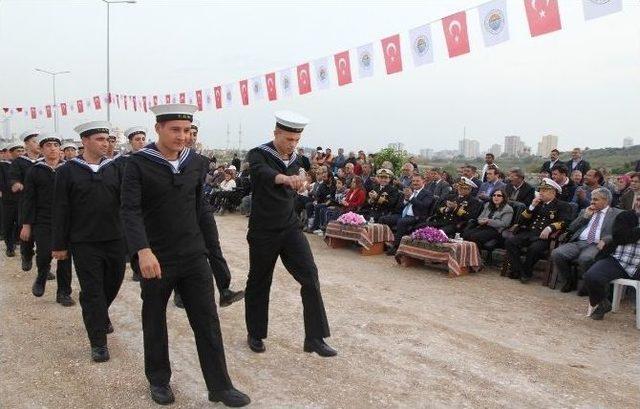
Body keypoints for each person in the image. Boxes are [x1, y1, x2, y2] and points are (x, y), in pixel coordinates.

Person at [121, 104, 249, 406]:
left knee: (207, 321)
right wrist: (142, 251)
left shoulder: (197, 163)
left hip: (193, 256)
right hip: (156, 257)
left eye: (187, 130)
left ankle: (220, 386)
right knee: (154, 320)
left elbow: (200, 209)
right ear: (158, 129)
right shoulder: (137, 164)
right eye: (175, 130)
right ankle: (159, 380)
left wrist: (211, 251)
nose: (182, 136)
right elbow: (130, 210)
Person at [245, 110, 335, 358]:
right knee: (260, 281)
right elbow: (263, 174)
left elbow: (304, 176)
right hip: (263, 230)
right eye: (288, 139)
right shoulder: (259, 154)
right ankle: (255, 333)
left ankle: (315, 338)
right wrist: (285, 178)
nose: (292, 144)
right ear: (276, 134)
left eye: (296, 140)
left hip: (290, 228)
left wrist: (302, 180)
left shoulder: (298, 159)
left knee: (310, 276)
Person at [52, 121, 125, 362]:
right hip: (84, 242)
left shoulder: (115, 168)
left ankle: (99, 313)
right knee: (93, 291)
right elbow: (60, 209)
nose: (105, 143)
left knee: (113, 283)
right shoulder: (67, 171)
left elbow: (127, 205)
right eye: (100, 139)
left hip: (115, 239)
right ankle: (98, 342)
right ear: (85, 142)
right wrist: (59, 245)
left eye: (107, 139)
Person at [21, 133, 75, 306]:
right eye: (48, 145)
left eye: (55, 145)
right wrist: (26, 225)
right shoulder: (35, 171)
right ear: (42, 149)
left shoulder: (69, 169)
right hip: (43, 220)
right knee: (44, 253)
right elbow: (28, 199)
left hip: (66, 221)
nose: (52, 148)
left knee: (65, 258)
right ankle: (41, 276)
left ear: (60, 149)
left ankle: (63, 293)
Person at [551, 188, 621, 293]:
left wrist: (606, 239)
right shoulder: (585, 211)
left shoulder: (616, 214)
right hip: (579, 242)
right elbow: (571, 228)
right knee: (557, 253)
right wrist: (585, 217)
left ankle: (588, 284)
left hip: (596, 244)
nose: (592, 202)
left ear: (605, 200)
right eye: (592, 199)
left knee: (586, 258)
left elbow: (620, 232)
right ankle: (569, 281)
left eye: (595, 199)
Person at [505, 178, 570, 283]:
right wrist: (531, 206)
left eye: (544, 191)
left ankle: (523, 272)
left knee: (534, 249)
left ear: (553, 192)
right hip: (530, 232)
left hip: (544, 237)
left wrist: (550, 228)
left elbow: (565, 222)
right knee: (510, 242)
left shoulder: (562, 205)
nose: (540, 193)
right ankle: (521, 271)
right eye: (540, 190)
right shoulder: (537, 204)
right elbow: (521, 221)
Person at [583, 210, 640, 320]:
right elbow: (620, 237)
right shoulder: (625, 216)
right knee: (591, 276)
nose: (639, 203)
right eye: (638, 199)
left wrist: (632, 233)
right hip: (619, 260)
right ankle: (603, 302)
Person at [9, 130, 41, 272]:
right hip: (26, 203)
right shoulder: (19, 162)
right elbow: (13, 177)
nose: (38, 144)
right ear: (27, 144)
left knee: (44, 237)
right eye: (34, 141)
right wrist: (16, 183)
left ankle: (44, 266)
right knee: (27, 234)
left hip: (44, 204)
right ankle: (26, 255)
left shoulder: (45, 161)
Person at [380, 173, 434, 255]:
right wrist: (405, 199)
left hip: (416, 217)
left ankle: (396, 247)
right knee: (383, 219)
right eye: (413, 181)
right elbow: (399, 207)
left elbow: (423, 206)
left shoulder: (427, 194)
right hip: (403, 214)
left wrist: (411, 197)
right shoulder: (408, 190)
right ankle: (383, 243)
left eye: (417, 181)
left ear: (423, 181)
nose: (415, 183)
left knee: (402, 222)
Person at [1, 141, 24, 257]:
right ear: (11, 153)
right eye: (17, 151)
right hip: (8, 200)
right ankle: (9, 247)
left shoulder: (25, 165)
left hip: (23, 200)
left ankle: (18, 241)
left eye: (22, 151)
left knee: (22, 223)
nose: (20, 153)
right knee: (8, 224)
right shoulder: (3, 165)